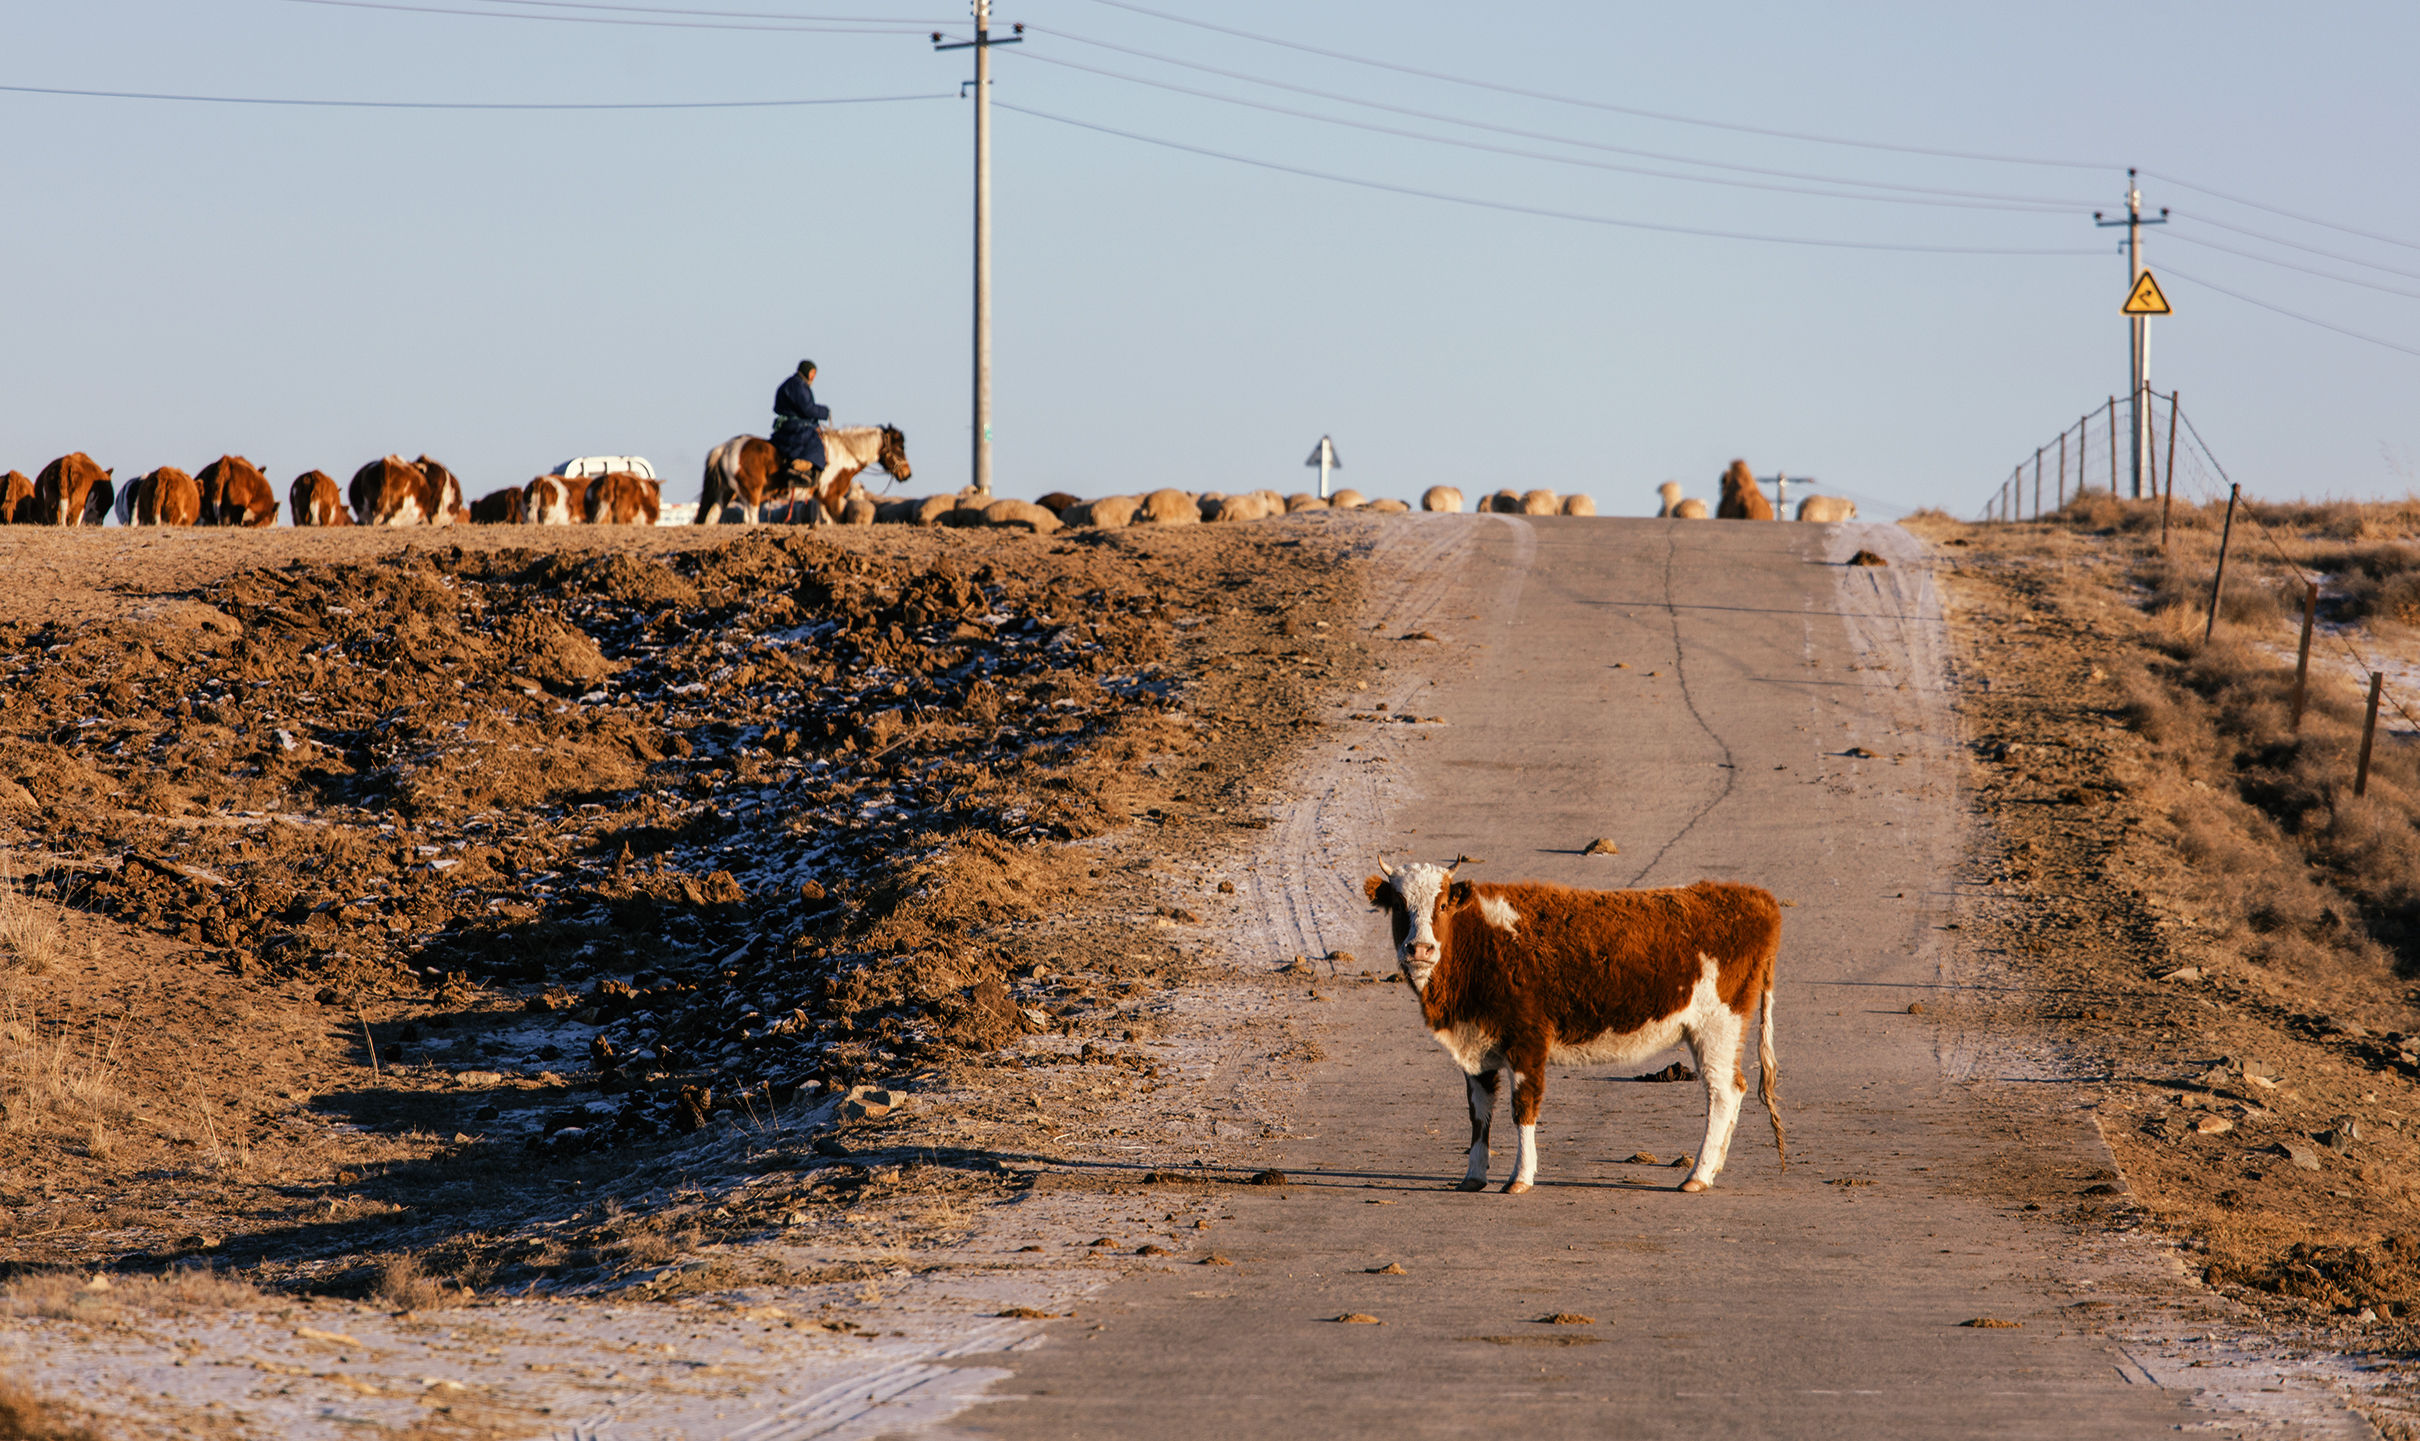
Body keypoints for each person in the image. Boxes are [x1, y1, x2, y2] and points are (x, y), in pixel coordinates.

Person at [771, 359, 830, 490]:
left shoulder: (793, 384)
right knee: (815, 443)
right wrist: (825, 412)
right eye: (812, 373)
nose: (813, 377)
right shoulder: (797, 385)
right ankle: (800, 470)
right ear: (807, 372)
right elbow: (807, 409)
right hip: (794, 426)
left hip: (792, 423)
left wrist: (815, 423)